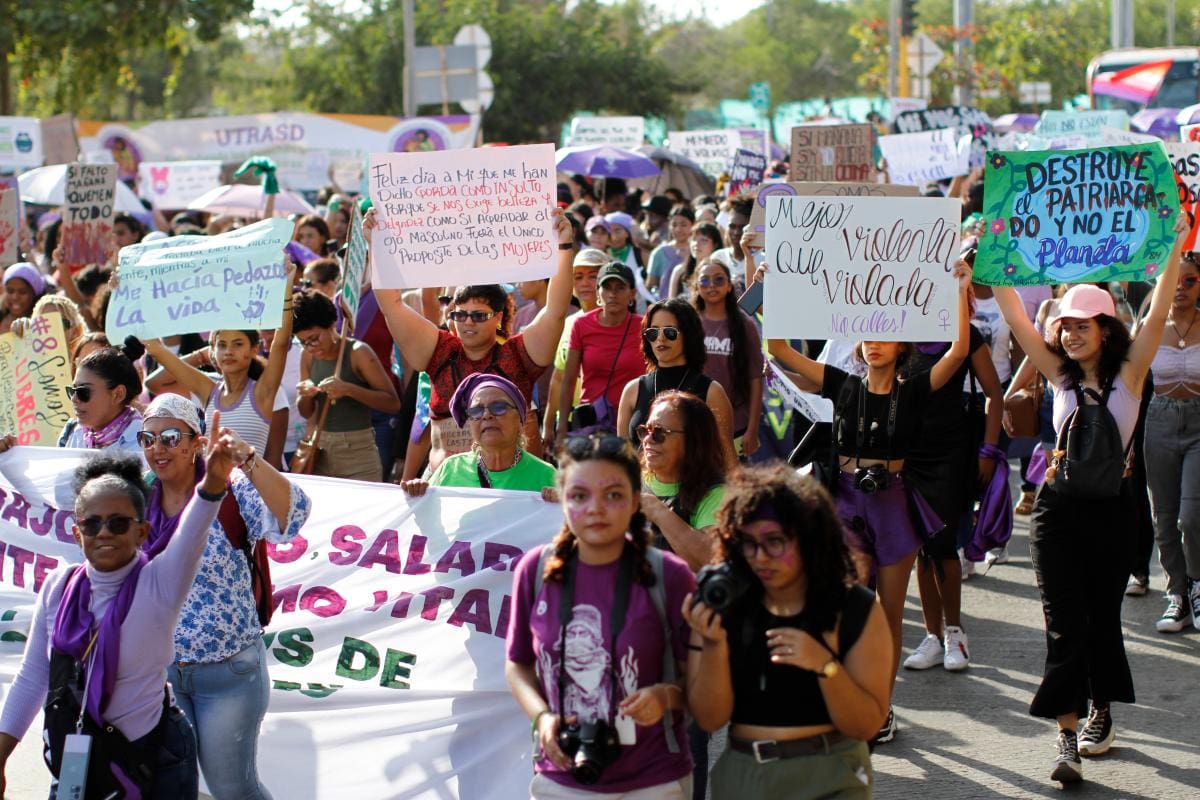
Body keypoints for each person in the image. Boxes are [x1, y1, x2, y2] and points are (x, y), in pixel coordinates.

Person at [991, 216, 1188, 784]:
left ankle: (1101, 707)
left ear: (1106, 328)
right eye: (1065, 326)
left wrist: (1175, 244)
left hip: (1113, 513)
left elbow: (1152, 316)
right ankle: (1066, 737)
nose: (1070, 334)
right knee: (1062, 624)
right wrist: (989, 258)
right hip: (1056, 513)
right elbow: (1015, 318)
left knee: (1102, 620)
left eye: (1082, 325)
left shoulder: (1132, 373)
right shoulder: (1056, 376)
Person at [761, 256, 973, 744]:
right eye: (868, 334)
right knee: (849, 607)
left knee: (888, 613)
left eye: (886, 334)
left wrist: (960, 286)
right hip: (847, 503)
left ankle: (882, 704)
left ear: (903, 345)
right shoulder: (843, 384)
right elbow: (778, 350)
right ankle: (845, 698)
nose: (875, 342)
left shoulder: (916, 388)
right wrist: (775, 290)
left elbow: (959, 352)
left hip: (894, 503)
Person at [0, 427, 241, 798]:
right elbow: (34, 676)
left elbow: (194, 528)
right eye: (92, 524)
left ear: (142, 532)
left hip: (153, 756)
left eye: (118, 523)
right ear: (77, 534)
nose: (104, 533)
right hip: (75, 753)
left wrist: (213, 480)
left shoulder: (161, 581)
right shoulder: (58, 586)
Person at [140, 393, 311, 800]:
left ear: (197, 442)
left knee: (231, 788)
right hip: (160, 675)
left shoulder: (232, 492)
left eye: (169, 436)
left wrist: (246, 457)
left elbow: (295, 514)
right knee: (171, 786)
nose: (157, 448)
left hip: (228, 675)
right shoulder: (138, 497)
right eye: (148, 438)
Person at [684, 464, 892, 799]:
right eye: (748, 543)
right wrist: (713, 646)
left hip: (831, 774)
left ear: (809, 539)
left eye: (775, 541)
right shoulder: (724, 604)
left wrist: (825, 666)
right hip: (745, 774)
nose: (759, 556)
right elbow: (709, 719)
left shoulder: (855, 607)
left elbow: (866, 725)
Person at [506, 434, 696, 798]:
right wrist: (541, 718)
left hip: (654, 781)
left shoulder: (668, 575)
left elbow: (704, 688)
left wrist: (665, 696)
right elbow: (517, 666)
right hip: (560, 779)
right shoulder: (535, 569)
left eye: (613, 495)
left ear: (636, 501)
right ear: (562, 501)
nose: (595, 508)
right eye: (579, 496)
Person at [367, 208, 576, 473]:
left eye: (478, 316)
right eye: (460, 314)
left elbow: (556, 311)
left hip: (510, 488)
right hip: (448, 486)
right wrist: (377, 247)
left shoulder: (518, 355)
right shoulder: (439, 351)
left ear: (498, 318)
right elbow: (392, 306)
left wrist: (564, 246)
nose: (467, 322)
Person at [902, 313, 1004, 673]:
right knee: (920, 546)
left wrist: (989, 450)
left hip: (950, 452)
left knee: (942, 543)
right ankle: (931, 636)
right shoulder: (894, 324)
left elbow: (994, 392)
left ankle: (954, 633)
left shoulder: (963, 330)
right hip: (907, 454)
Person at [144, 262, 296, 459]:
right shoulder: (208, 390)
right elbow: (157, 350)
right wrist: (126, 295)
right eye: (222, 345)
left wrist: (287, 286)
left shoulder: (263, 392)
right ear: (212, 353)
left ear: (254, 350)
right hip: (210, 489)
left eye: (238, 344)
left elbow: (281, 343)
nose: (229, 351)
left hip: (250, 489)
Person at [1144, 252, 1200, 633]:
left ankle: (1197, 583)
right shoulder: (1148, 326)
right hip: (1158, 421)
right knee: (1163, 516)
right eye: (1173, 280)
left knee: (1191, 516)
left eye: (1190, 281)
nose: (1180, 288)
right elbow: (1128, 380)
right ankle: (1176, 594)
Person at [294, 290, 400, 481]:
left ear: (331, 325)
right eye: (303, 342)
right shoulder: (307, 356)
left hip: (358, 453)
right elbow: (305, 412)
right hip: (321, 450)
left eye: (314, 338)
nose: (311, 347)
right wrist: (305, 394)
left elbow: (392, 403)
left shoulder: (358, 352)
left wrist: (348, 389)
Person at [617, 299, 736, 467]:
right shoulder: (632, 390)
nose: (660, 339)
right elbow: (622, 460)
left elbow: (727, 459)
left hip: (696, 490)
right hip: (642, 490)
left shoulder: (711, 391)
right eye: (652, 333)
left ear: (688, 336)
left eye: (669, 332)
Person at [401, 374, 556, 496]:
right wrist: (418, 494)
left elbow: (568, 530)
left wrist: (562, 506)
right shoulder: (451, 469)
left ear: (520, 420)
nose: (487, 415)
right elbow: (426, 521)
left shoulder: (546, 476)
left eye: (499, 407)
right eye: (476, 411)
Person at [635, 391, 727, 573]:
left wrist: (656, 509)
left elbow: (711, 559)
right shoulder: (631, 479)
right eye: (645, 430)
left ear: (693, 440)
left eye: (659, 433)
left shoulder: (715, 492)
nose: (647, 440)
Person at [558, 263, 645, 443]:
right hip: (591, 426)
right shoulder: (581, 325)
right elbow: (568, 380)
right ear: (598, 292)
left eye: (620, 287)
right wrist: (561, 430)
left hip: (634, 424)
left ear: (632, 294)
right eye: (607, 287)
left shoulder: (645, 327)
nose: (613, 294)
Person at [690, 259, 763, 458]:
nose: (711, 285)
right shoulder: (688, 322)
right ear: (696, 286)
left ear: (729, 285)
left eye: (719, 279)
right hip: (694, 425)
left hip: (737, 425)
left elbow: (756, 378)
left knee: (732, 487)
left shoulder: (744, 324)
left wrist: (753, 429)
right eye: (704, 281)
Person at [542, 249, 605, 446]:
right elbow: (559, 378)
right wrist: (548, 424)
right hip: (569, 423)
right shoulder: (568, 322)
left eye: (593, 276)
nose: (585, 283)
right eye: (578, 277)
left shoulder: (616, 323)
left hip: (604, 422)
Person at [57, 340, 148, 454]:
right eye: (71, 390)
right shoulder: (72, 434)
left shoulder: (147, 444)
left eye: (83, 391)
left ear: (118, 394)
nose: (74, 399)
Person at [647, 207, 694, 299]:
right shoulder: (659, 253)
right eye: (674, 225)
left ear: (693, 225)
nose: (678, 229)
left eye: (683, 225)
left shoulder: (697, 250)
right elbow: (650, 285)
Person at [667, 223, 721, 301]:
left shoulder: (719, 273)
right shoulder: (679, 271)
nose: (697, 244)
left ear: (715, 245)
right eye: (694, 239)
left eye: (704, 240)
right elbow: (670, 303)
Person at [2, 263, 45, 335]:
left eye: (22, 292)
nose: (15, 297)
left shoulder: (41, 326)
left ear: (34, 294)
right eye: (10, 291)